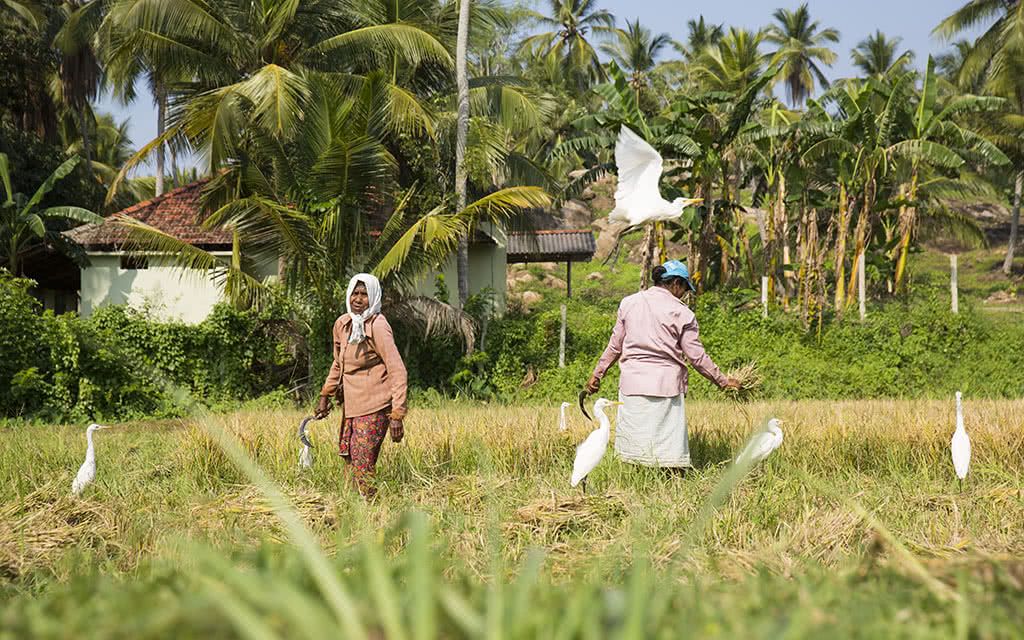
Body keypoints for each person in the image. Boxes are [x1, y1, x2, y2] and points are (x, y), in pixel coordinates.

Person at [585, 260, 739, 471]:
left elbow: (615, 346)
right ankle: (671, 482)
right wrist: (723, 381)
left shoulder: (629, 303)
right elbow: (696, 357)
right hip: (666, 388)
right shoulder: (683, 313)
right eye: (684, 289)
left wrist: (597, 374)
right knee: (668, 453)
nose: (684, 295)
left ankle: (636, 481)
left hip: (632, 387)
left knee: (635, 450)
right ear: (676, 283)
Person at [315, 274, 407, 499]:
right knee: (350, 460)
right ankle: (354, 510)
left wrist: (397, 414)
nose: (358, 299)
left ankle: (371, 508)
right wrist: (325, 395)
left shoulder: (378, 325)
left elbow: (397, 369)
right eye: (355, 293)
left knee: (362, 462)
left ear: (373, 297)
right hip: (352, 407)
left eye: (364, 294)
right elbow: (338, 362)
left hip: (375, 405)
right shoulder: (343, 324)